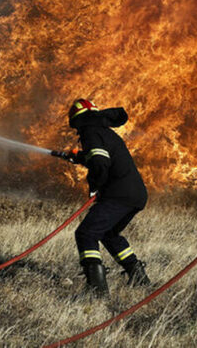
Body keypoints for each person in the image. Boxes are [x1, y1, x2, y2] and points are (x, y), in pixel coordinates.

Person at [63, 98, 151, 296]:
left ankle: (97, 290)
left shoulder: (91, 132)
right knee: (108, 233)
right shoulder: (103, 131)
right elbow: (99, 157)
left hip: (118, 194)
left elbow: (100, 163)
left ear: (78, 120)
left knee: (86, 233)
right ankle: (138, 277)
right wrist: (79, 157)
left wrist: (95, 186)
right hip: (135, 194)